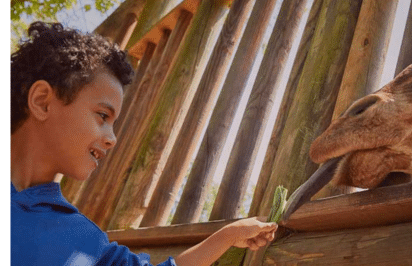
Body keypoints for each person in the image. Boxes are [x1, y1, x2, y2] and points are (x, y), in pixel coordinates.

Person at [11, 22, 277, 266]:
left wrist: (229, 236)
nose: (112, 138)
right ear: (42, 101)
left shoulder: (85, 240)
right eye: (103, 116)